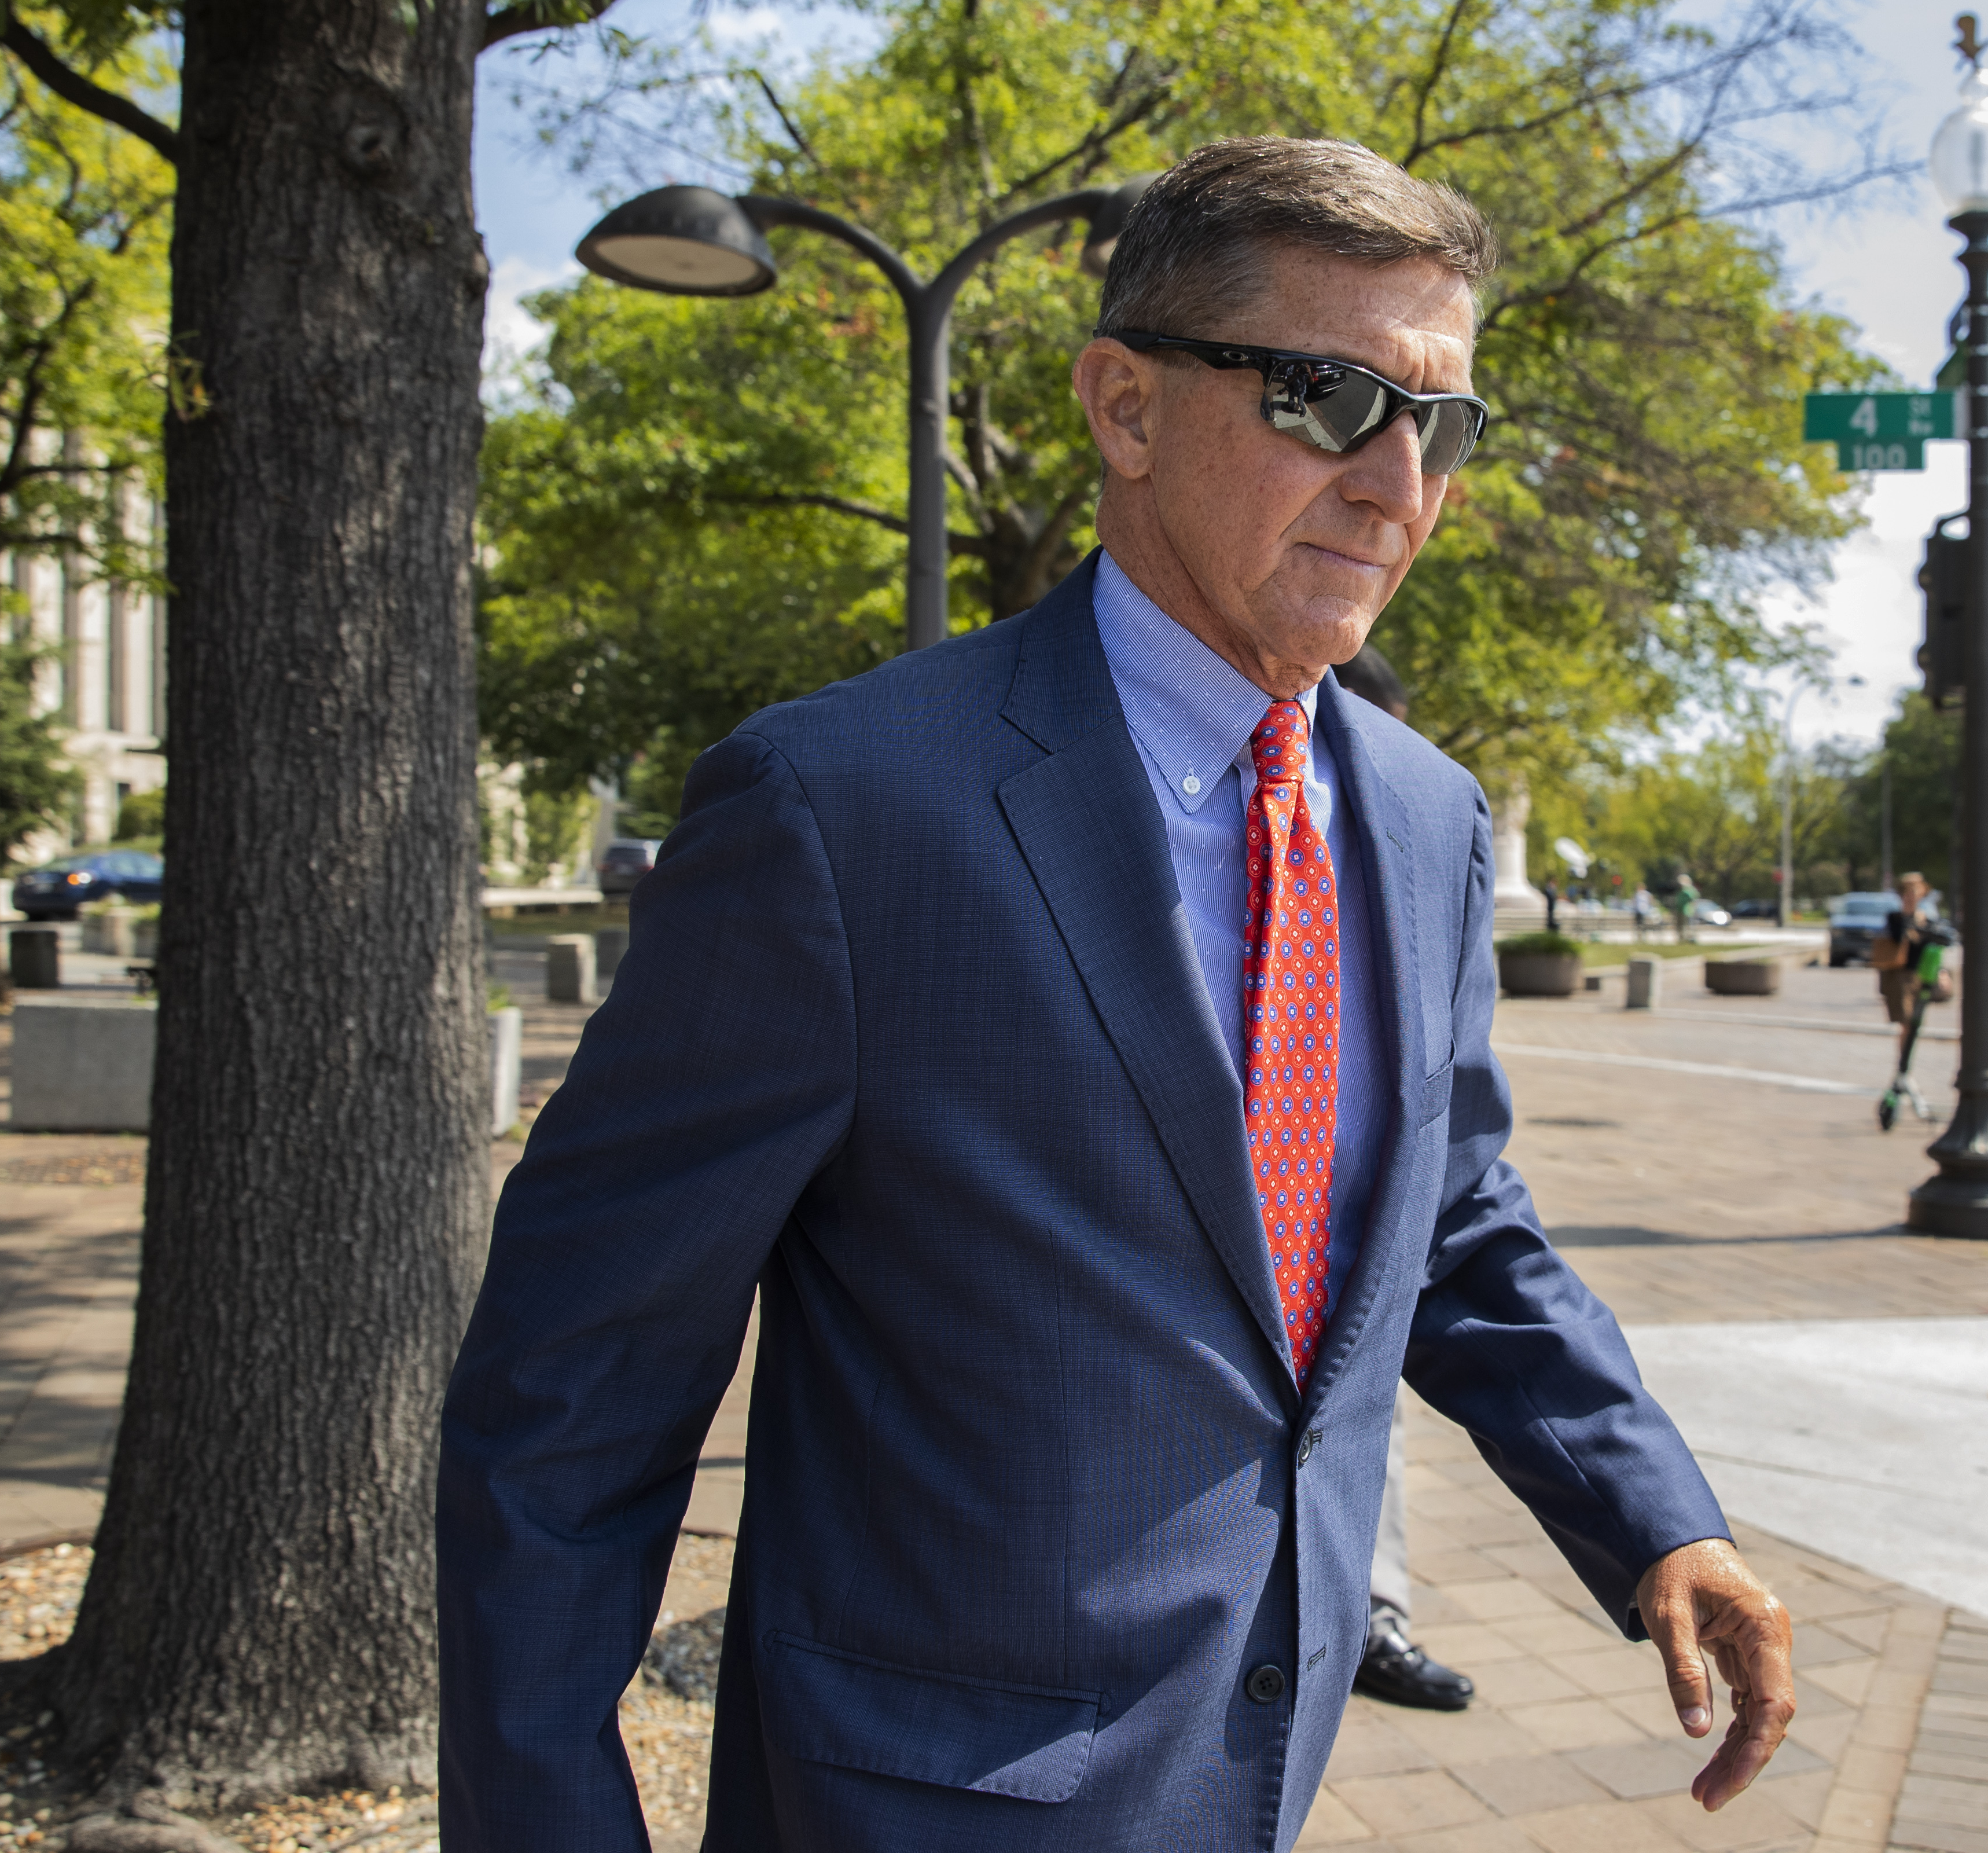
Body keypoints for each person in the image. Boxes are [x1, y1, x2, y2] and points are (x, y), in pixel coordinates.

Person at [438, 137, 1792, 1852]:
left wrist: (1658, 1517)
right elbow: (568, 1403)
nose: (1398, 482)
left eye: (1440, 423)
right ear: (1126, 408)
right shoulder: (840, 811)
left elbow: (1451, 1226)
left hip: (1268, 1771)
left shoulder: (1429, 817)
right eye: (1326, 396)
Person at [1327, 644, 1476, 1714]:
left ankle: (1368, 1617)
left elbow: (1466, 1180)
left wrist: (1658, 1521)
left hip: (1368, 1265)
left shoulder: (1435, 825)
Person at [1870, 870, 1936, 1026]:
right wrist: (1909, 916)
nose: (1912, 897)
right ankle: (1903, 1052)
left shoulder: (1927, 919)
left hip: (1919, 973)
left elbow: (1931, 947)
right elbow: (1898, 938)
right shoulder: (1895, 918)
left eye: (1916, 892)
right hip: (1899, 974)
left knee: (1915, 1024)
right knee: (1906, 1022)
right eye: (1908, 893)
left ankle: (1905, 1051)